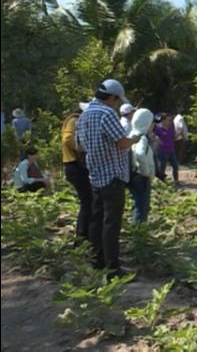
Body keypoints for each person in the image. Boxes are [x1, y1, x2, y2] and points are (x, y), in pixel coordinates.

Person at [75, 79, 140, 278]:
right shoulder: (107, 113)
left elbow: (78, 146)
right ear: (112, 97)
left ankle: (97, 261)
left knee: (97, 219)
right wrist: (134, 139)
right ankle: (113, 268)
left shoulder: (84, 115)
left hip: (95, 174)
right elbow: (121, 143)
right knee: (111, 222)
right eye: (117, 100)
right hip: (112, 175)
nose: (117, 104)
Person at [62, 102, 92, 239]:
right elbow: (67, 139)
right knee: (87, 201)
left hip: (76, 165)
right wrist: (82, 148)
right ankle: (82, 237)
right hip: (74, 165)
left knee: (89, 201)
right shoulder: (74, 120)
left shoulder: (77, 120)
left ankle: (85, 235)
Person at [128, 109, 155, 224]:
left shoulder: (132, 134)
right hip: (141, 176)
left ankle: (136, 226)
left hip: (133, 174)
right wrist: (146, 172)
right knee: (142, 205)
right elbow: (140, 155)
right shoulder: (142, 138)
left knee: (137, 203)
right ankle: (139, 229)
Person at [154, 113, 179, 184]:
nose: (170, 122)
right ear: (163, 121)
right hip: (162, 150)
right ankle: (161, 182)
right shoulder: (158, 129)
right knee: (162, 167)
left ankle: (176, 180)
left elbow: (174, 138)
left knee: (175, 166)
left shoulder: (171, 128)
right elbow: (153, 135)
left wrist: (176, 136)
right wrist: (157, 139)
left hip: (171, 150)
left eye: (171, 120)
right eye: (168, 120)